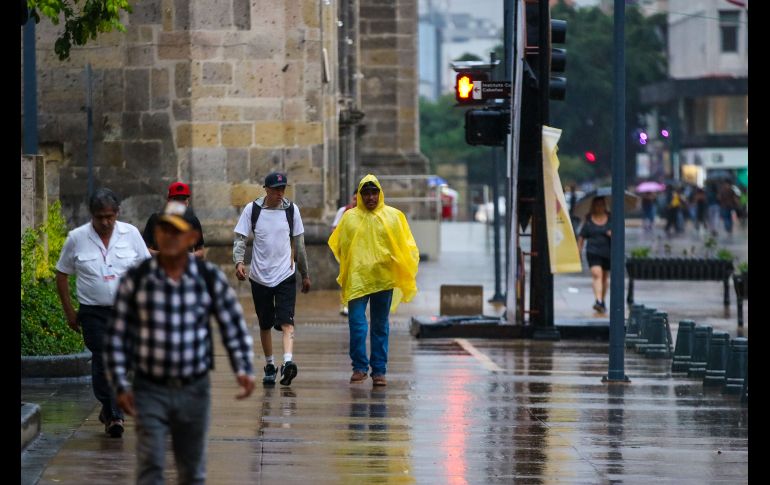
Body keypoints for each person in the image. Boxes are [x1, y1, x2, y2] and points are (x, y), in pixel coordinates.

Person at [104, 201, 255, 484]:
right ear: (157, 236)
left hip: (194, 387)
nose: (171, 238)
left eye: (178, 232)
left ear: (191, 238)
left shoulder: (208, 279)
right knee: (150, 464)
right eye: (165, 231)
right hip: (150, 387)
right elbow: (118, 332)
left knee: (191, 468)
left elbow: (232, 323)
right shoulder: (137, 280)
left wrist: (243, 367)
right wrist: (120, 384)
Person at [55, 188, 150, 438]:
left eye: (110, 216)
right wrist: (69, 311)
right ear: (92, 215)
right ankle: (114, 414)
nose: (105, 222)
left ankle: (109, 408)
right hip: (93, 312)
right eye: (100, 217)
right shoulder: (77, 238)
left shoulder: (131, 235)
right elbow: (62, 273)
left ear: (117, 213)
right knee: (104, 357)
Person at [328, 175, 420, 386]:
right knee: (357, 324)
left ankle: (379, 371)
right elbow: (339, 244)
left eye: (374, 192)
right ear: (360, 195)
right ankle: (359, 367)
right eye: (366, 193)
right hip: (358, 280)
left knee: (379, 325)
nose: (370, 197)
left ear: (380, 193)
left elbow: (406, 246)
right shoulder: (349, 218)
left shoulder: (394, 217)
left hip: (383, 280)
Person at [233, 171, 311, 387]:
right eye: (276, 189)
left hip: (286, 274)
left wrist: (304, 274)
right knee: (265, 323)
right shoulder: (253, 210)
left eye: (283, 189)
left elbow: (300, 245)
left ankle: (288, 363)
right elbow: (240, 238)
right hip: (260, 277)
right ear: (266, 189)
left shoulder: (292, 210)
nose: (280, 193)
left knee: (287, 321)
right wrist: (239, 262)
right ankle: (270, 364)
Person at [142, 182, 205, 258]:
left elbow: (201, 250)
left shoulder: (193, 220)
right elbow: (144, 249)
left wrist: (189, 255)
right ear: (169, 200)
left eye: (183, 199)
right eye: (176, 199)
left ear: (187, 201)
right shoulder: (155, 219)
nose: (180, 202)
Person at [577, 196, 611, 314]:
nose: (599, 207)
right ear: (593, 206)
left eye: (601, 204)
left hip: (608, 252)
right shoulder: (588, 221)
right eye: (597, 205)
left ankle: (602, 300)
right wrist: (579, 252)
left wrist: (612, 234)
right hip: (593, 252)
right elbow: (581, 238)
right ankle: (598, 300)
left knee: (604, 278)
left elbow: (619, 235)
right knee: (597, 274)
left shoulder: (611, 219)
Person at [331, 190, 357, 316]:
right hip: (346, 252)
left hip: (360, 254)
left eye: (358, 199)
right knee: (346, 279)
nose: (356, 202)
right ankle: (345, 305)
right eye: (354, 199)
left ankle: (355, 303)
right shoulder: (344, 211)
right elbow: (334, 229)